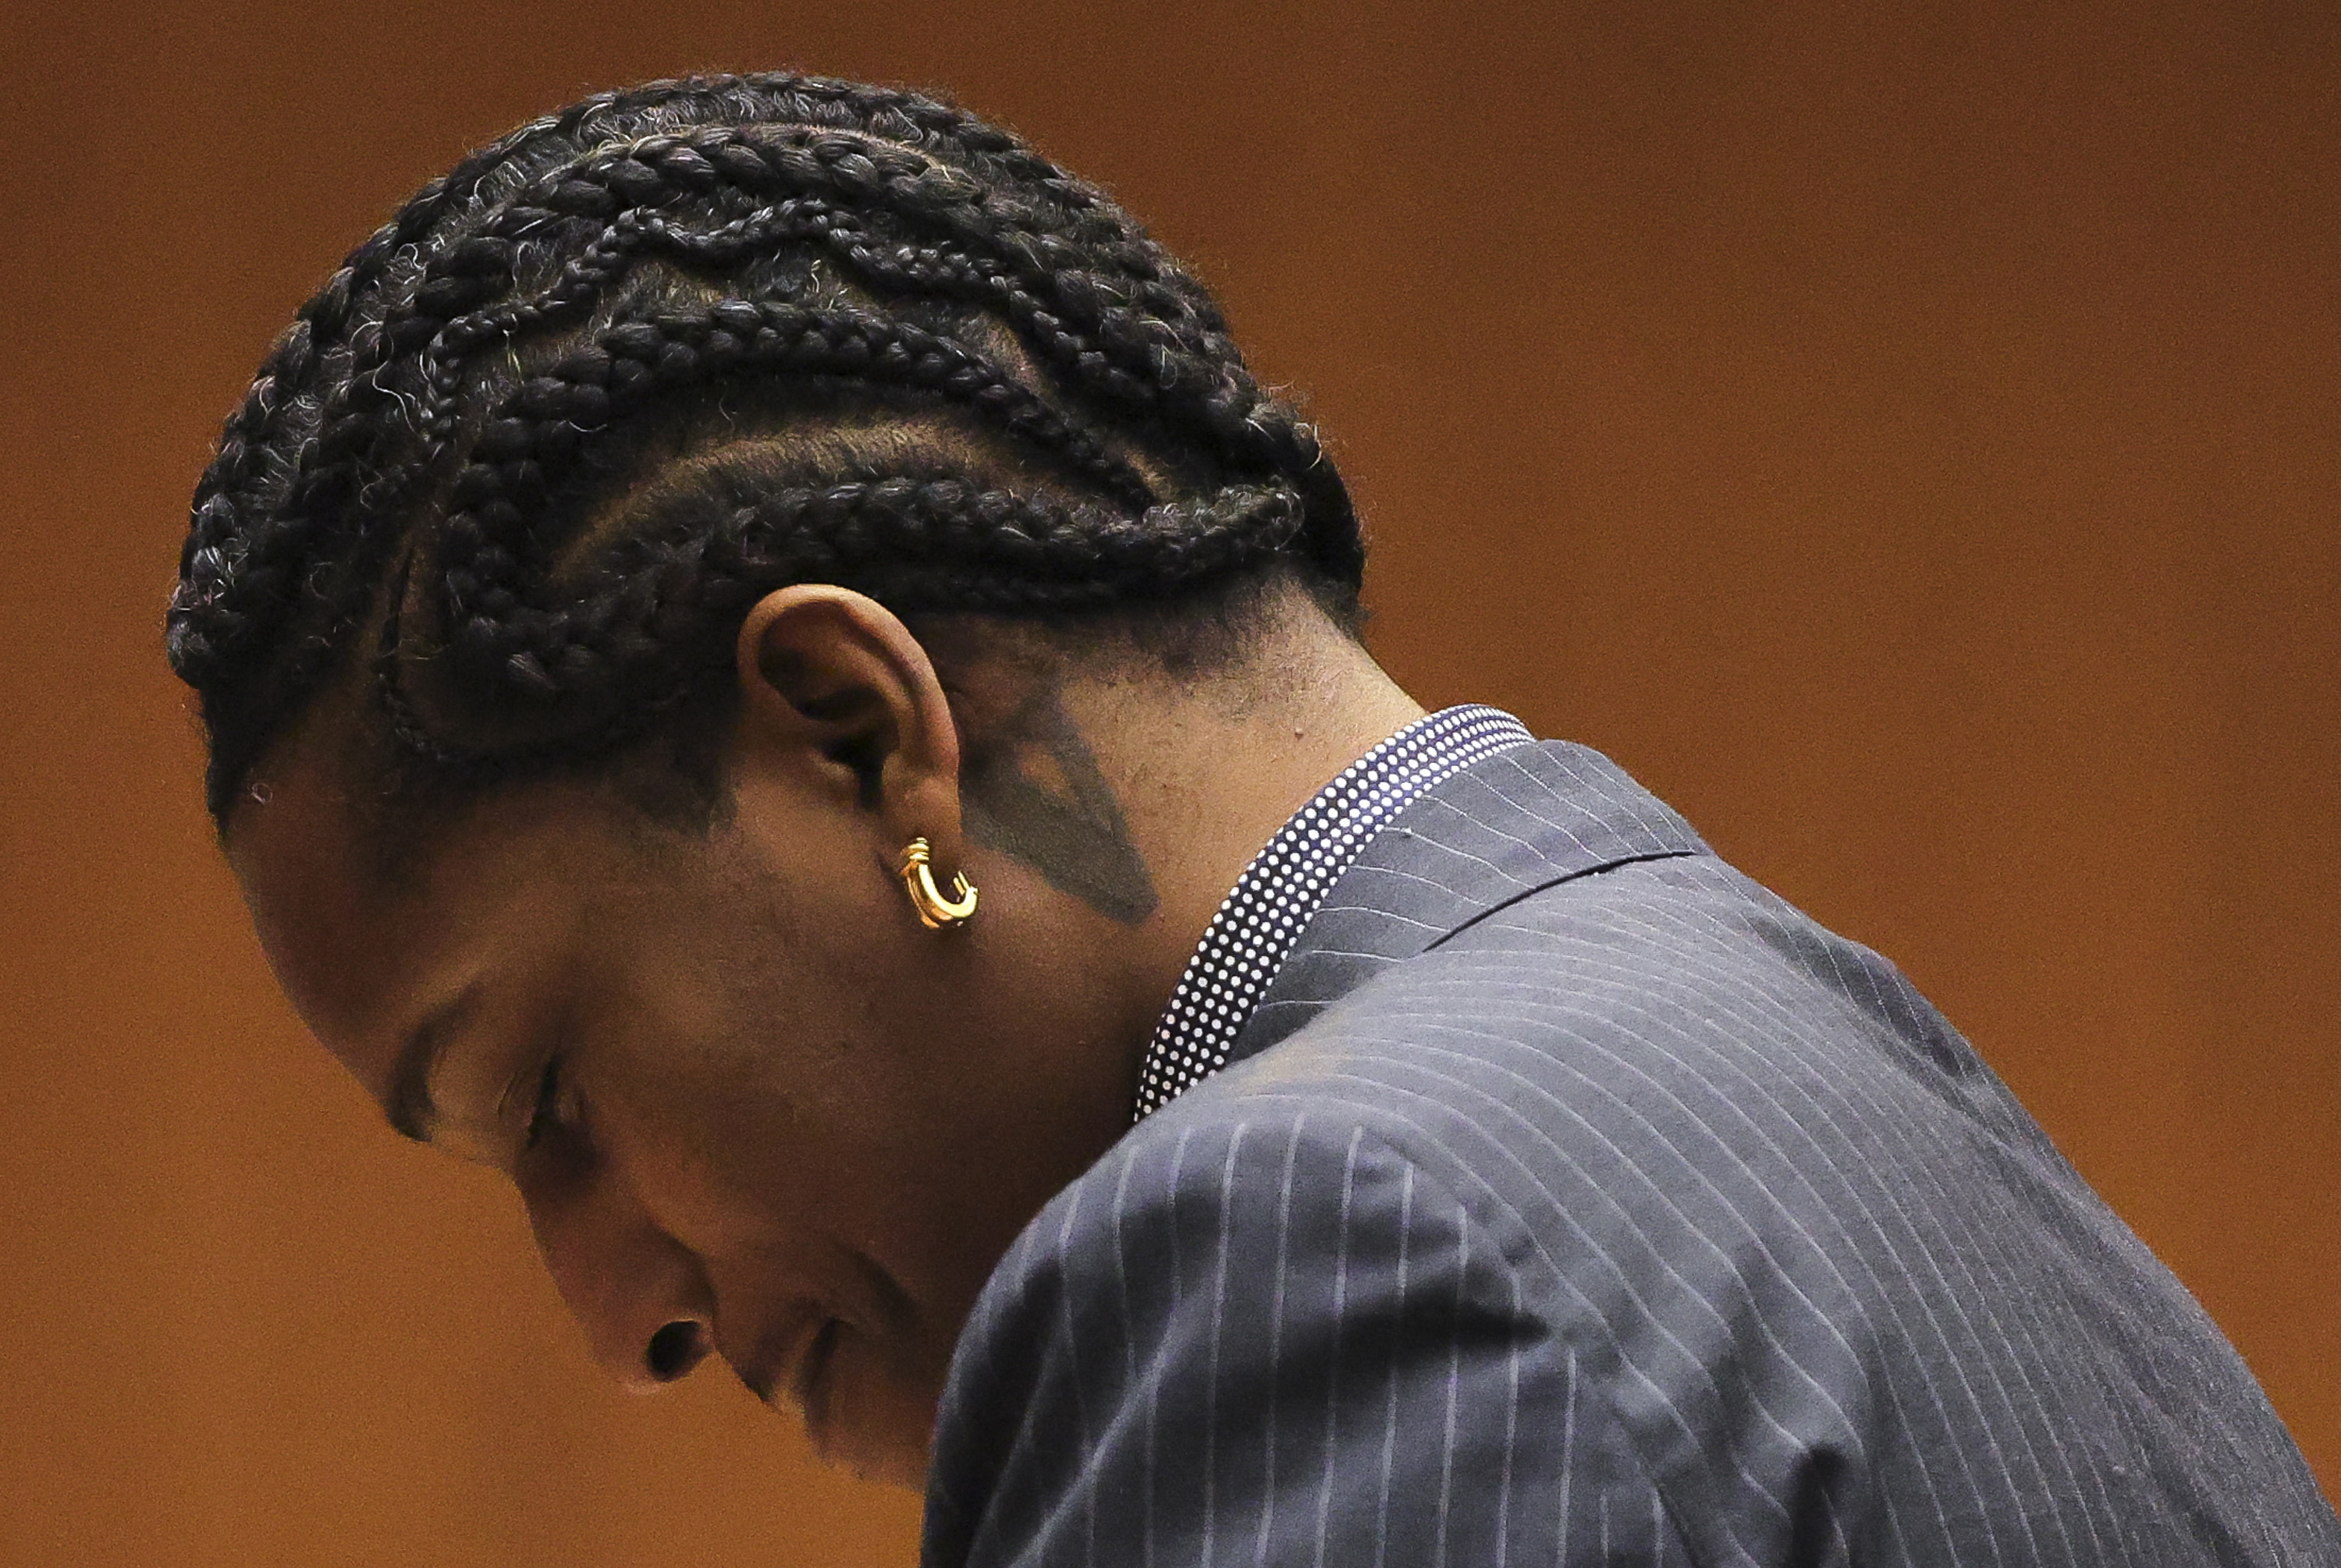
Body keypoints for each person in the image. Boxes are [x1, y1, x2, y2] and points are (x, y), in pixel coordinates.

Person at [170, 72, 2337, 1566]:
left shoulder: (1330, 1248)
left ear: (856, 737)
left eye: (546, 1088)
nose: (611, 1309)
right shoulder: (1784, 1056)